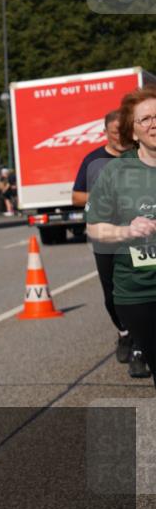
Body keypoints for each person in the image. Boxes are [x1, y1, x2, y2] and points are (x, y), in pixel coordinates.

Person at [86, 85, 156, 387]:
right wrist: (127, 230)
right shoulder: (116, 172)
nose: (154, 123)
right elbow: (95, 227)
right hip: (141, 292)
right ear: (133, 131)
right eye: (146, 119)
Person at [73, 110, 135, 366]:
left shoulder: (142, 156)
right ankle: (124, 333)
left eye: (123, 132)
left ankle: (141, 342)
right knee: (111, 294)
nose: (119, 138)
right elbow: (76, 197)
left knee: (141, 289)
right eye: (114, 133)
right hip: (106, 237)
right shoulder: (93, 160)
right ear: (105, 133)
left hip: (140, 236)